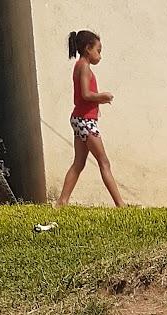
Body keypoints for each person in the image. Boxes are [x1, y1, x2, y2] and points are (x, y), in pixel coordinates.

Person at [57, 30, 124, 208]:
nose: (100, 55)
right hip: (86, 121)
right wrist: (103, 96)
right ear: (88, 49)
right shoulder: (84, 67)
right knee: (104, 162)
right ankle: (120, 204)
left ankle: (61, 202)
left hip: (79, 119)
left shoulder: (79, 65)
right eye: (98, 50)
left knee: (79, 163)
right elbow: (86, 94)